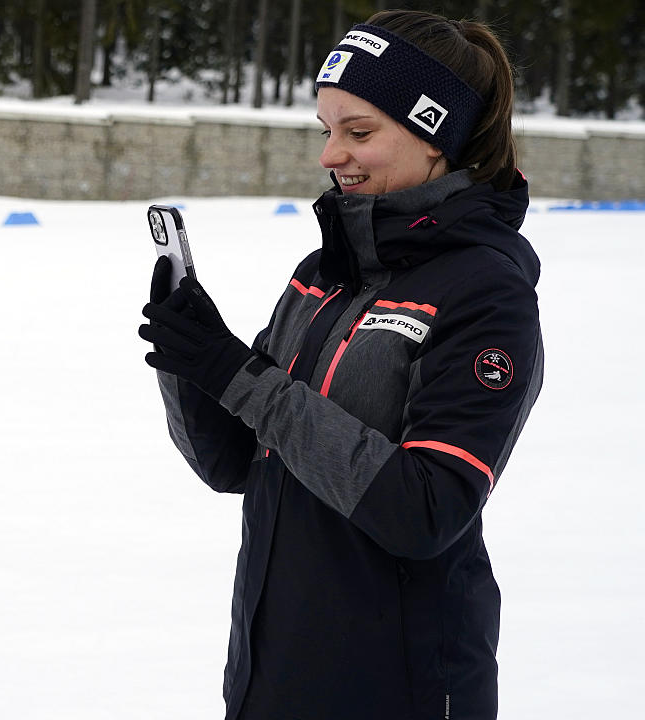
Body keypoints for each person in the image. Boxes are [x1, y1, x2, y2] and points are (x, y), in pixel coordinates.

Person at [138, 11, 543, 720]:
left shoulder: (485, 293)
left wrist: (240, 376)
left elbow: (426, 510)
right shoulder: (322, 276)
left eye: (359, 132)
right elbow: (235, 461)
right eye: (326, 130)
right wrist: (190, 359)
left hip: (399, 686)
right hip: (273, 671)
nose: (331, 155)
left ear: (436, 135)